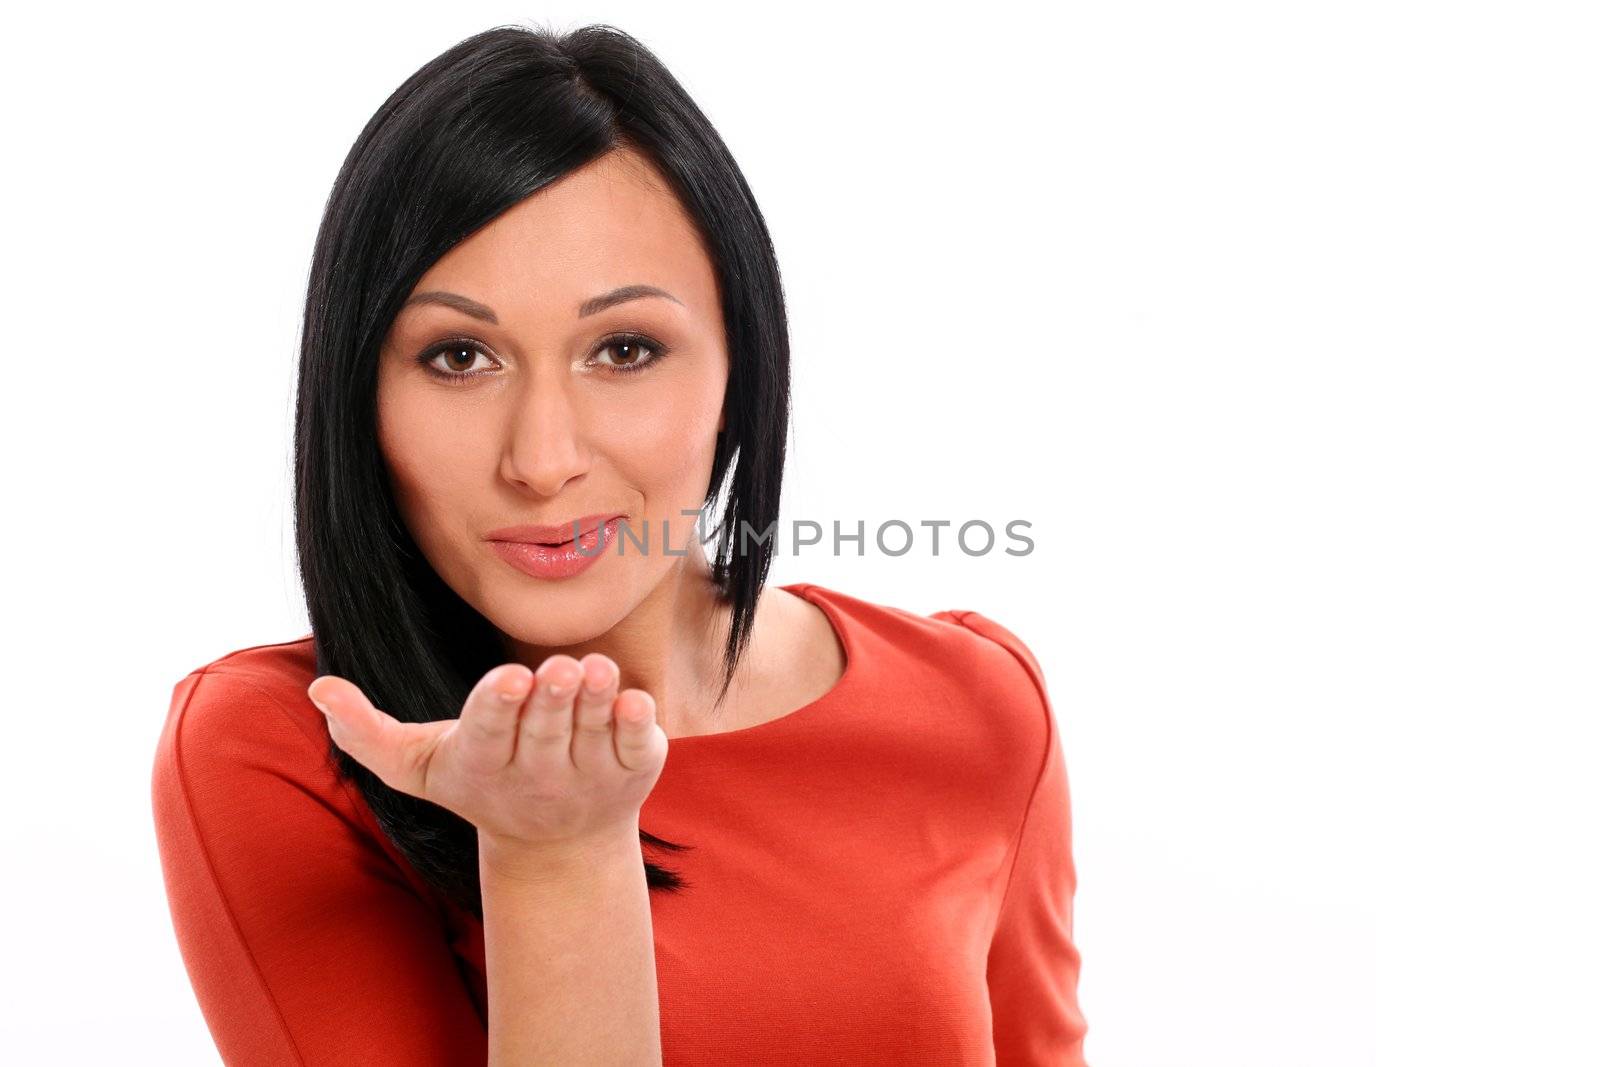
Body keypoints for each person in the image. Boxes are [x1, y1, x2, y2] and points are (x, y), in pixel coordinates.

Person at [150, 22, 1089, 1066]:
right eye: (458, 355)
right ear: (358, 394)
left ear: (741, 363)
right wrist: (553, 854)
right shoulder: (295, 748)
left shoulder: (977, 702)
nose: (542, 459)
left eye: (625, 348)